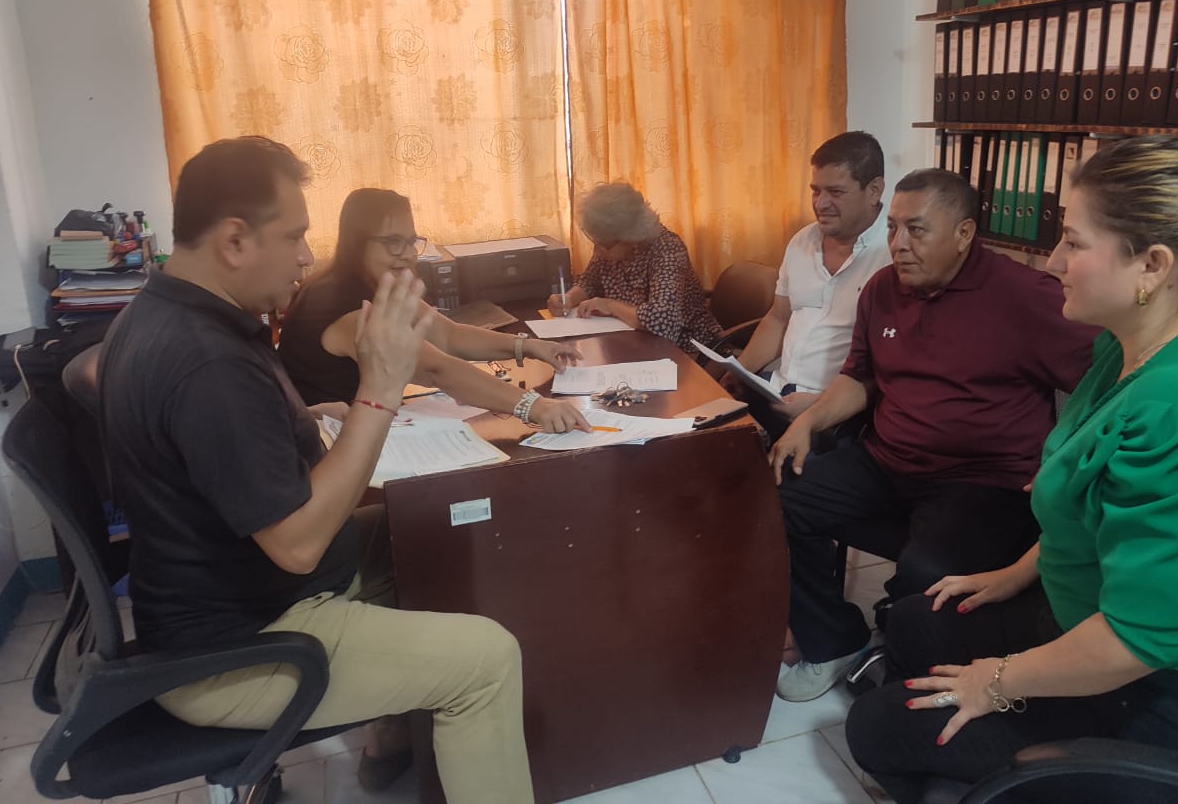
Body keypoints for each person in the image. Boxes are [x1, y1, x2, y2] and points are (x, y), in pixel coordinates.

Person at [98, 137, 534, 804]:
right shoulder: (208, 362)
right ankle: (449, 711)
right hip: (242, 644)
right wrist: (378, 392)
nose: (306, 255)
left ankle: (396, 736)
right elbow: (298, 546)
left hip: (225, 599)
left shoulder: (164, 315)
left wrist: (300, 416)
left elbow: (216, 446)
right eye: (294, 235)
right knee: (488, 661)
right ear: (234, 240)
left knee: (431, 530)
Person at [845, 135, 1178, 804]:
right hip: (1085, 611)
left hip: (1161, 688)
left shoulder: (1174, 412)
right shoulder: (1127, 348)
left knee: (876, 728)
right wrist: (1016, 572)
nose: (1054, 260)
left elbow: (1139, 639)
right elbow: (1094, 498)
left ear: (1152, 266)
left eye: (1074, 241)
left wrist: (994, 681)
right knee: (918, 620)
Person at [771, 167, 1097, 703]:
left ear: (964, 233)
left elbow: (1109, 378)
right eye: (893, 228)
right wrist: (809, 421)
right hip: (888, 459)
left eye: (916, 230)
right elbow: (860, 376)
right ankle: (835, 640)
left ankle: (904, 665)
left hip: (983, 481)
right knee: (778, 501)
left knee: (927, 571)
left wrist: (1066, 459)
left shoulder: (1025, 296)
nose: (899, 244)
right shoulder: (883, 290)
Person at [279, 188, 589, 434]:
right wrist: (535, 407)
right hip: (324, 444)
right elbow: (436, 369)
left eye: (411, 241)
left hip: (358, 429)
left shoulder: (376, 283)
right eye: (393, 242)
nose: (408, 254)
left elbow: (449, 335)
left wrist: (529, 346)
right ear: (357, 244)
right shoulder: (342, 304)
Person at [722, 131, 891, 445]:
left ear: (874, 190)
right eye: (815, 191)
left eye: (835, 192)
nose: (820, 204)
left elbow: (889, 366)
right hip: (776, 390)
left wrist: (820, 406)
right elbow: (778, 318)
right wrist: (739, 371)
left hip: (837, 414)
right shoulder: (803, 240)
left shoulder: (895, 255)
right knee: (702, 439)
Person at [547, 181, 722, 354]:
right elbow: (590, 281)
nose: (597, 250)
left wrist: (611, 306)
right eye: (595, 241)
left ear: (630, 237)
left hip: (686, 349)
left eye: (604, 244)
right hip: (631, 341)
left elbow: (661, 323)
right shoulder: (610, 244)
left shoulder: (668, 249)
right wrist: (569, 298)